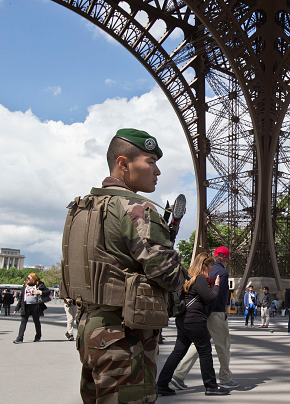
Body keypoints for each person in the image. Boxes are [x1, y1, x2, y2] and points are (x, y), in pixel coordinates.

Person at [62, 129, 187, 403]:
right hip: (124, 335)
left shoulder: (82, 208)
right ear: (123, 163)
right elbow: (168, 273)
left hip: (90, 328)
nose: (158, 171)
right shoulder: (135, 208)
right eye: (151, 161)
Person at [156, 253, 230, 396]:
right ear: (203, 266)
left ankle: (162, 384)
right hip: (195, 320)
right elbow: (210, 298)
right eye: (210, 266)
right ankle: (211, 386)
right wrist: (216, 286)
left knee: (178, 352)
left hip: (183, 319)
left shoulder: (187, 278)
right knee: (205, 352)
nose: (211, 268)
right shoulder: (200, 279)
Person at [171, 246, 240, 391]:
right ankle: (225, 378)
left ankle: (179, 375)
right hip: (216, 314)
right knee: (223, 347)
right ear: (226, 259)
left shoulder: (206, 271)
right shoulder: (223, 273)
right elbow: (218, 296)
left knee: (198, 346)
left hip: (203, 313)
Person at [13, 273, 51, 343]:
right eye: (27, 278)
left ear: (34, 279)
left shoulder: (40, 285)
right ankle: (19, 338)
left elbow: (48, 291)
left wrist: (40, 292)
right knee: (23, 322)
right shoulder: (25, 286)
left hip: (35, 306)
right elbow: (21, 298)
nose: (27, 279)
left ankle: (38, 336)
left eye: (29, 278)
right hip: (26, 306)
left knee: (36, 322)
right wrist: (17, 308)